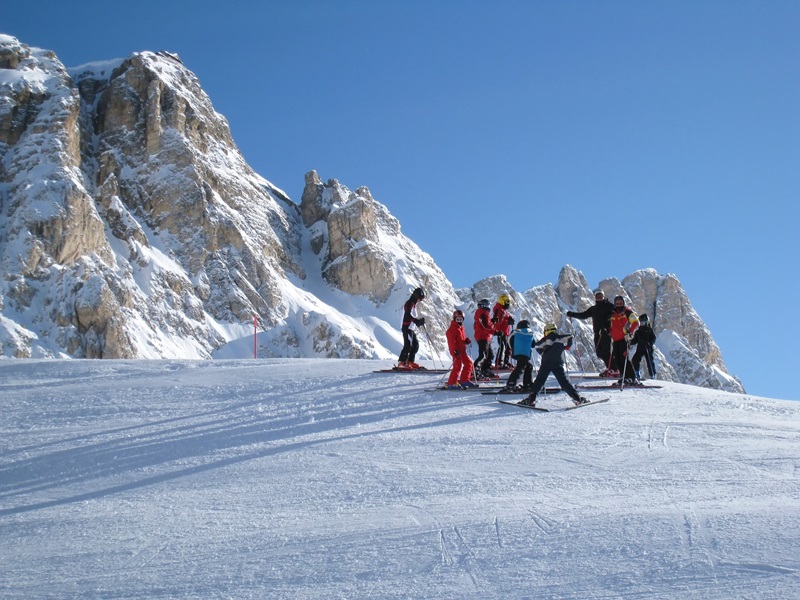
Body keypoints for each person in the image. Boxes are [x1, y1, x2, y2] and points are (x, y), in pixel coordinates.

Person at [519, 323, 588, 407]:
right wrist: (567, 346)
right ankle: (577, 398)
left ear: (547, 331)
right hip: (558, 363)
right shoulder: (560, 337)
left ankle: (531, 399)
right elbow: (570, 336)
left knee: (539, 381)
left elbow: (537, 346)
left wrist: (543, 352)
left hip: (546, 363)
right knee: (564, 382)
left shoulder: (545, 339)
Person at [566, 289, 615, 376]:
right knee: (599, 352)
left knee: (606, 351)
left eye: (601, 296)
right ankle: (610, 369)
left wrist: (609, 318)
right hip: (597, 333)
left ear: (604, 297)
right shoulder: (594, 309)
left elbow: (615, 313)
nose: (599, 298)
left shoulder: (609, 306)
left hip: (606, 332)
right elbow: (583, 315)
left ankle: (613, 369)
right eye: (597, 296)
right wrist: (572, 314)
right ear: (595, 298)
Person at [608, 295, 640, 385]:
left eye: (620, 303)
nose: (619, 305)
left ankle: (632, 378)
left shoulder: (627, 312)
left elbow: (636, 322)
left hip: (624, 339)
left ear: (623, 303)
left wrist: (630, 332)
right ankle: (624, 377)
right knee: (617, 360)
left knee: (624, 358)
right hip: (615, 340)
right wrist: (608, 331)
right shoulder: (612, 314)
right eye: (617, 303)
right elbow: (611, 326)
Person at [396, 287, 426, 370]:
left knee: (415, 345)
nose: (420, 300)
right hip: (407, 327)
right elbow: (408, 315)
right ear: (416, 296)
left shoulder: (413, 304)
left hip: (411, 328)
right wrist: (417, 321)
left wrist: (419, 321)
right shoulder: (409, 303)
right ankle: (401, 362)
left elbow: (412, 316)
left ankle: (410, 361)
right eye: (420, 298)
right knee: (408, 345)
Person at [445, 310, 476, 389]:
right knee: (457, 366)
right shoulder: (452, 329)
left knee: (469, 364)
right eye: (457, 319)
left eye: (461, 320)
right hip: (456, 351)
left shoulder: (461, 328)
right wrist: (454, 351)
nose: (459, 321)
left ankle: (464, 380)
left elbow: (460, 340)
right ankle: (451, 383)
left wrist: (466, 341)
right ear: (454, 319)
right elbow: (451, 342)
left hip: (462, 350)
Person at [504, 320, 535, 391]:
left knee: (527, 366)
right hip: (526, 354)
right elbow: (533, 344)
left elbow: (509, 340)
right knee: (520, 368)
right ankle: (512, 384)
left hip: (517, 352)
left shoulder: (515, 332)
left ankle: (525, 384)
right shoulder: (530, 333)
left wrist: (512, 347)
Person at [473, 298, 496, 378]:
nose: (489, 307)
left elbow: (486, 324)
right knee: (482, 355)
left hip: (484, 336)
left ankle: (485, 369)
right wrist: (495, 332)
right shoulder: (483, 313)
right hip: (483, 336)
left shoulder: (482, 313)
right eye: (488, 305)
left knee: (490, 355)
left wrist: (492, 321)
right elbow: (485, 326)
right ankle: (474, 370)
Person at [630, 313, 657, 379]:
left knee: (649, 361)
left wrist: (650, 343)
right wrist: (630, 342)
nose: (641, 323)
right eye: (640, 322)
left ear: (646, 322)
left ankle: (652, 375)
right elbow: (635, 340)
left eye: (643, 322)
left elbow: (653, 338)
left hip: (648, 348)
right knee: (635, 359)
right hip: (640, 348)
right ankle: (637, 373)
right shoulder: (638, 331)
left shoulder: (649, 330)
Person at [493, 294, 514, 370]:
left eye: (508, 302)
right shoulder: (499, 309)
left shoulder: (503, 310)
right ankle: (498, 363)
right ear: (502, 301)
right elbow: (498, 321)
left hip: (505, 332)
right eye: (506, 301)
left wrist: (509, 319)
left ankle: (505, 362)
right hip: (500, 331)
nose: (508, 303)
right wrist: (508, 321)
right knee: (502, 347)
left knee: (507, 347)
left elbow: (505, 319)